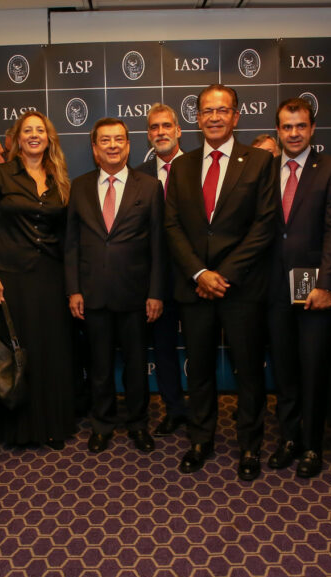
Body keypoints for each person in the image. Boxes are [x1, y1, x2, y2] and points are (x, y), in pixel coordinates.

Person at [163, 84, 276, 481]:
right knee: (199, 370)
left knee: (249, 371)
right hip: (195, 287)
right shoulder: (182, 166)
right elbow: (172, 226)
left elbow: (264, 225)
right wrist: (199, 273)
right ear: (197, 118)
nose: (214, 117)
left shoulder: (260, 162)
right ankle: (200, 440)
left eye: (222, 110)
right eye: (207, 111)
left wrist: (222, 275)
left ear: (236, 116)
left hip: (241, 287)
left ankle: (250, 446)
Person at [0, 111, 76, 448]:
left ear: (48, 138)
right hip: (11, 277)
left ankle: (51, 426)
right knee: (16, 352)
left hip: (50, 278)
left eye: (40, 130)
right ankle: (17, 429)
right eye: (28, 130)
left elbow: (66, 233)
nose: (34, 135)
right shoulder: (0, 175)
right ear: (17, 139)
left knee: (50, 351)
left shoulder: (58, 177)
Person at [66, 118, 163, 453]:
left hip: (136, 295)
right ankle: (102, 424)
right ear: (95, 148)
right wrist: (73, 289)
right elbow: (71, 244)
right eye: (105, 140)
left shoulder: (149, 187)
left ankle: (138, 424)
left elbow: (158, 246)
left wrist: (155, 292)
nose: (112, 145)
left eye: (119, 139)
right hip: (92, 294)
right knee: (99, 367)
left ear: (128, 145)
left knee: (136, 366)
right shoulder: (79, 186)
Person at [264, 98, 331, 478]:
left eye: (301, 126)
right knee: (284, 369)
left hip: (314, 289)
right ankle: (289, 439)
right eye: (287, 126)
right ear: (278, 130)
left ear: (313, 129)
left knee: (313, 368)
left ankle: (313, 445)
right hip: (273, 287)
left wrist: (327, 283)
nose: (294, 133)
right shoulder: (266, 169)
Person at [138, 104, 189, 436]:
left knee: (201, 347)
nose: (161, 132)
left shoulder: (198, 166)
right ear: (148, 135)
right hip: (156, 279)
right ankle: (174, 409)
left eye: (166, 126)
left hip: (195, 276)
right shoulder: (139, 174)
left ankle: (203, 411)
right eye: (154, 127)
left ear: (178, 130)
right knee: (164, 348)